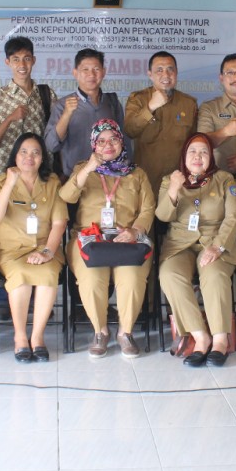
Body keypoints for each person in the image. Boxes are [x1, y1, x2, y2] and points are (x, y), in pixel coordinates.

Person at [59, 119, 155, 358]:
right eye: (101, 141)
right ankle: (100, 331)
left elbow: (148, 208)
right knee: (91, 279)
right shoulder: (84, 169)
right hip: (90, 239)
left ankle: (125, 332)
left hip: (127, 240)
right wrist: (88, 168)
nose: (108, 145)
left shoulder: (137, 173)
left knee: (132, 278)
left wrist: (135, 230)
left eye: (113, 139)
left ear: (122, 142)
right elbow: (66, 196)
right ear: (93, 145)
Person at [156, 133, 236, 367]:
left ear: (211, 157)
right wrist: (174, 188)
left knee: (214, 275)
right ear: (184, 156)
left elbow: (234, 216)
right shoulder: (170, 179)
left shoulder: (224, 179)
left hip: (215, 242)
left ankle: (220, 341)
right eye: (192, 151)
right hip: (179, 245)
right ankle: (200, 337)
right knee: (169, 274)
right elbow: (163, 216)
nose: (198, 156)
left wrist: (218, 246)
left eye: (204, 152)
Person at [0, 133, 67, 363]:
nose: (29, 157)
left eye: (35, 152)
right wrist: (10, 184)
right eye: (24, 152)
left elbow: (59, 223)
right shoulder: (3, 181)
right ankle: (20, 337)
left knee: (48, 273)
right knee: (20, 275)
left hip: (45, 247)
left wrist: (47, 252)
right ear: (15, 156)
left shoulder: (51, 183)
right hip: (11, 250)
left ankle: (37, 337)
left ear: (42, 158)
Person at [124, 51, 198, 195]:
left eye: (170, 69)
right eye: (159, 70)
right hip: (145, 183)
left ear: (176, 73)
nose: (165, 74)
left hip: (178, 183)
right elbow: (129, 130)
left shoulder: (189, 103)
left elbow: (195, 142)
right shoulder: (137, 99)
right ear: (150, 74)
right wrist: (150, 106)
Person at [0, 36, 58, 176]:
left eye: (27, 58)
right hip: (8, 174)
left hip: (41, 173)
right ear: (7, 62)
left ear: (33, 60)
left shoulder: (47, 94)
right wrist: (10, 118)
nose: (22, 65)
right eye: (16, 59)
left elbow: (56, 136)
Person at [46, 48, 125, 180]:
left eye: (96, 69)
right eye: (85, 70)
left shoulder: (112, 102)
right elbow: (51, 145)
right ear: (75, 73)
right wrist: (66, 115)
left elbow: (124, 141)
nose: (91, 74)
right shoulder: (62, 105)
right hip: (76, 180)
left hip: (109, 178)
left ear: (104, 72)